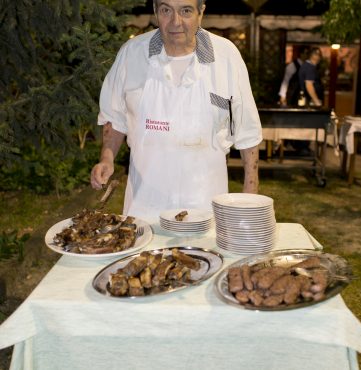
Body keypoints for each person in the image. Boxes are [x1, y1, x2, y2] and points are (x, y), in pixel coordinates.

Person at [90, 0, 262, 220]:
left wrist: (250, 197)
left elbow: (248, 132)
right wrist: (107, 158)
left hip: (206, 204)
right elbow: (114, 118)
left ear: (201, 12)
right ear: (155, 11)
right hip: (145, 206)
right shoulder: (132, 54)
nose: (175, 22)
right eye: (166, 10)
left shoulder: (226, 56)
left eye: (186, 11)